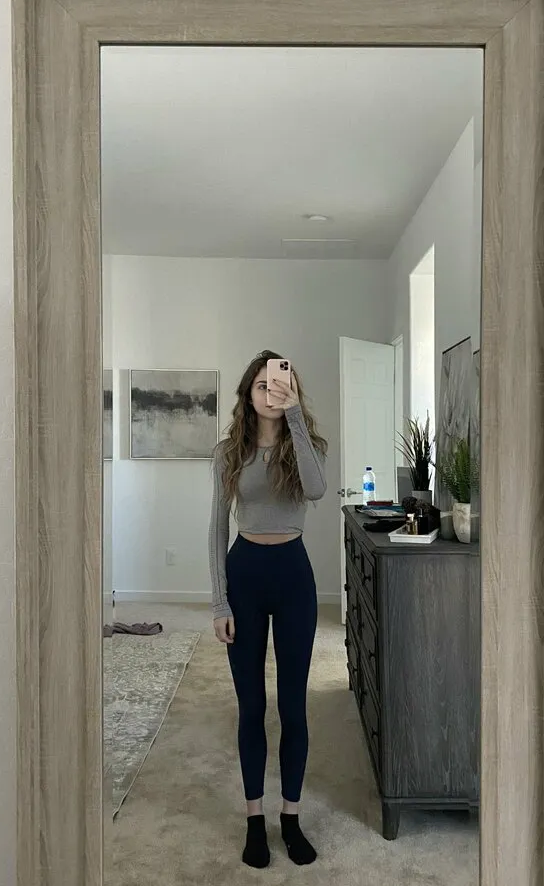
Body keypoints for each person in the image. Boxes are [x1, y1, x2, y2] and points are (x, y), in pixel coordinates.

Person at [208, 349, 328, 869]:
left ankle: (291, 818)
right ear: (248, 394)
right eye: (262, 385)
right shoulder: (227, 452)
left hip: (294, 577)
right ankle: (255, 818)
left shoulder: (307, 445)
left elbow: (317, 490)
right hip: (245, 577)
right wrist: (219, 600)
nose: (271, 392)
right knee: (252, 705)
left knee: (293, 706)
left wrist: (295, 415)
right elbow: (216, 526)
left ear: (292, 390)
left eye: (280, 384)